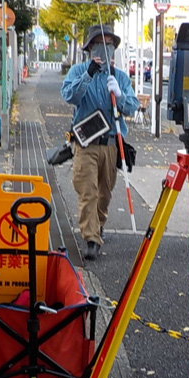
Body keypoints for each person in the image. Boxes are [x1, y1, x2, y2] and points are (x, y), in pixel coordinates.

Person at [61, 24, 139, 261]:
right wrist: (89, 75)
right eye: (99, 43)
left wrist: (121, 95)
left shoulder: (120, 77)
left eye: (109, 45)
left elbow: (132, 107)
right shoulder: (77, 71)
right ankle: (91, 237)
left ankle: (98, 223)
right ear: (90, 47)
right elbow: (69, 96)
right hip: (85, 143)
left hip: (111, 144)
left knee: (105, 192)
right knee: (88, 191)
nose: (104, 49)